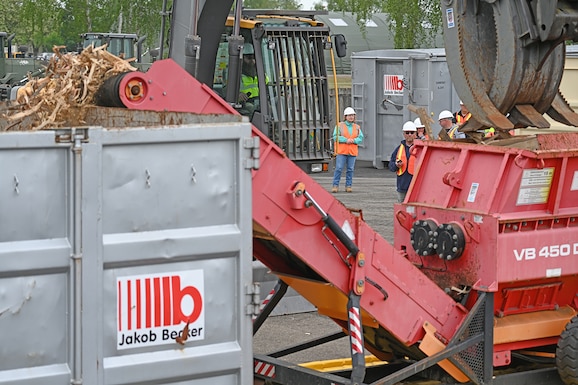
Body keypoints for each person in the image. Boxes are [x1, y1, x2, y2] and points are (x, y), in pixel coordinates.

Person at [332, 107, 364, 193]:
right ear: (345, 116)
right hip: (341, 151)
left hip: (352, 152)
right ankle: (335, 185)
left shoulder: (357, 127)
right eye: (349, 115)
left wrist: (353, 140)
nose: (351, 117)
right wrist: (346, 140)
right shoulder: (339, 126)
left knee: (350, 169)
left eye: (352, 115)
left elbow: (360, 138)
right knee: (339, 168)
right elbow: (335, 137)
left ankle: (348, 186)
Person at [389, 121, 417, 203]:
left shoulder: (420, 149)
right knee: (402, 210)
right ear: (403, 134)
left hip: (415, 186)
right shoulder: (399, 149)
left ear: (415, 134)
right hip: (402, 186)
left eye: (412, 132)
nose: (409, 134)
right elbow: (391, 166)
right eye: (407, 132)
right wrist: (396, 165)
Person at [238, 44, 260, 116]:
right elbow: (227, 92)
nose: (253, 61)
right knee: (251, 108)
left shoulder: (261, 75)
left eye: (254, 58)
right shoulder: (236, 75)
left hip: (260, 103)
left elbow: (270, 89)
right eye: (249, 58)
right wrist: (238, 95)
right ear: (241, 59)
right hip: (243, 105)